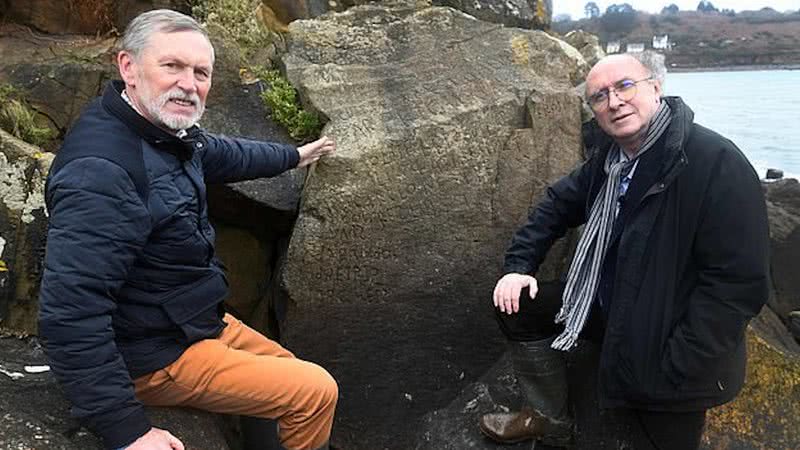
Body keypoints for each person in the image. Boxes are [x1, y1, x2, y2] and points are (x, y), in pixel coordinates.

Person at [38, 9, 337, 450]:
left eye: (201, 72)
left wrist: (291, 156)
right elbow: (69, 315)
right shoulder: (102, 173)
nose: (188, 83)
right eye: (172, 66)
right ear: (128, 66)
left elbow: (218, 152)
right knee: (315, 392)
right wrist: (129, 432)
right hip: (150, 355)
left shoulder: (158, 130)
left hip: (190, 320)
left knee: (288, 371)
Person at [479, 52, 769, 449]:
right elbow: (556, 206)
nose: (614, 101)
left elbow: (737, 284)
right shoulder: (608, 161)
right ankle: (549, 418)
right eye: (599, 96)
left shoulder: (716, 163)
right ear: (594, 110)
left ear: (656, 87)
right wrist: (518, 267)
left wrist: (681, 363)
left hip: (667, 333)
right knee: (515, 306)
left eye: (625, 86)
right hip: (605, 303)